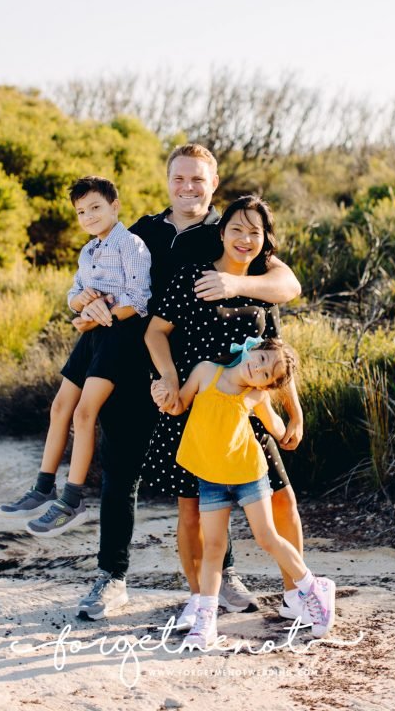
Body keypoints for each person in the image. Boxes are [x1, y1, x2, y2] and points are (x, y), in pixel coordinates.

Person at [64, 144, 302, 621]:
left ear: (213, 184)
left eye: (199, 179)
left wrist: (238, 285)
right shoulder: (142, 232)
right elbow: (103, 277)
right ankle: (112, 577)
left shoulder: (227, 232)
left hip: (208, 381)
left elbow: (287, 285)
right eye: (180, 178)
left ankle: (222, 577)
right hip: (137, 368)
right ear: (167, 181)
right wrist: (84, 304)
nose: (188, 187)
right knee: (120, 470)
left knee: (210, 475)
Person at [144, 193, 309, 630]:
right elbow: (155, 333)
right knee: (191, 510)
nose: (244, 238)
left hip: (249, 416)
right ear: (221, 231)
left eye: (254, 232)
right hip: (194, 409)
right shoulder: (190, 278)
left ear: (264, 240)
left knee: (281, 499)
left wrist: (295, 413)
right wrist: (169, 379)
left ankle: (297, 594)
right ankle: (200, 602)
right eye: (236, 228)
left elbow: (278, 359)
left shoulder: (264, 284)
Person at [157, 337, 335, 650]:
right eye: (262, 359)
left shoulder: (256, 395)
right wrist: (162, 395)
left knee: (267, 537)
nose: (259, 369)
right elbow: (178, 406)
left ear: (268, 385)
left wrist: (289, 433)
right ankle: (206, 622)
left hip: (248, 475)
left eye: (267, 374)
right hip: (211, 477)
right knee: (213, 547)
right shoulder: (206, 372)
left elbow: (276, 427)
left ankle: (313, 587)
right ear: (252, 349)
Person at [0, 176, 151, 536]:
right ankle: (43, 487)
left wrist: (102, 314)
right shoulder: (89, 250)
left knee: (85, 413)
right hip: (92, 336)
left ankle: (72, 500)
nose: (89, 216)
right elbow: (76, 290)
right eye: (81, 211)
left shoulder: (132, 245)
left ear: (115, 206)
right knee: (59, 407)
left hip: (120, 337)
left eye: (96, 207)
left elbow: (140, 299)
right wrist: (80, 304)